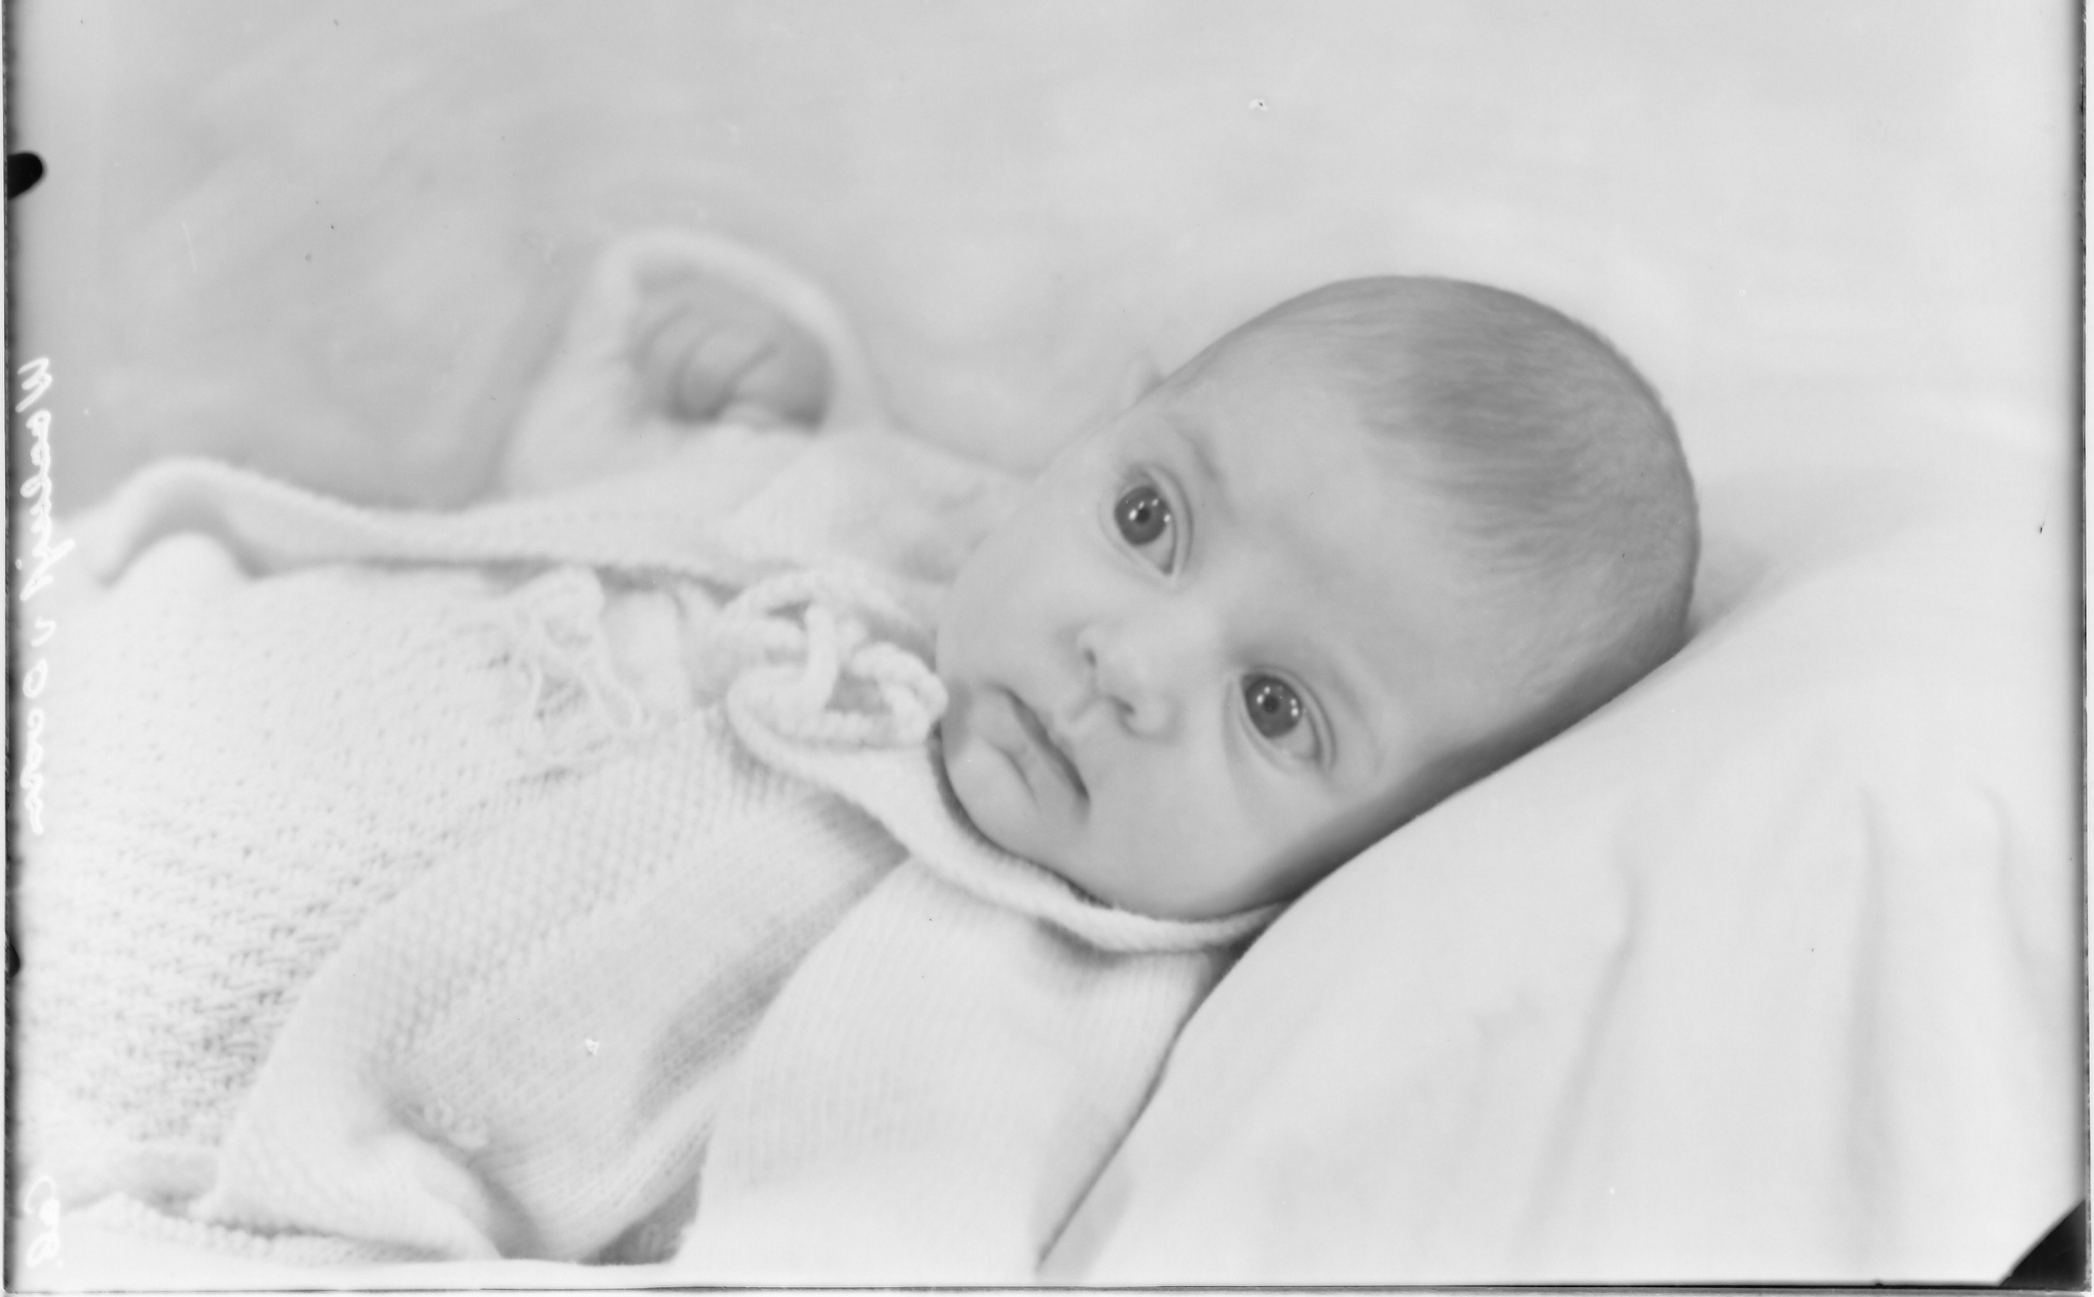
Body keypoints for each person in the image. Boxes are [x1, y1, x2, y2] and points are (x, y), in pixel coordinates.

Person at [15, 231, 1696, 1277]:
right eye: (1148, 517)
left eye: (1278, 707)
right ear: (1100, 432)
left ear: (1378, 852)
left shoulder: (1010, 997)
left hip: (159, 1062)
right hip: (144, 667)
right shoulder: (923, 526)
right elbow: (612, 515)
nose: (1127, 657)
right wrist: (729, 404)